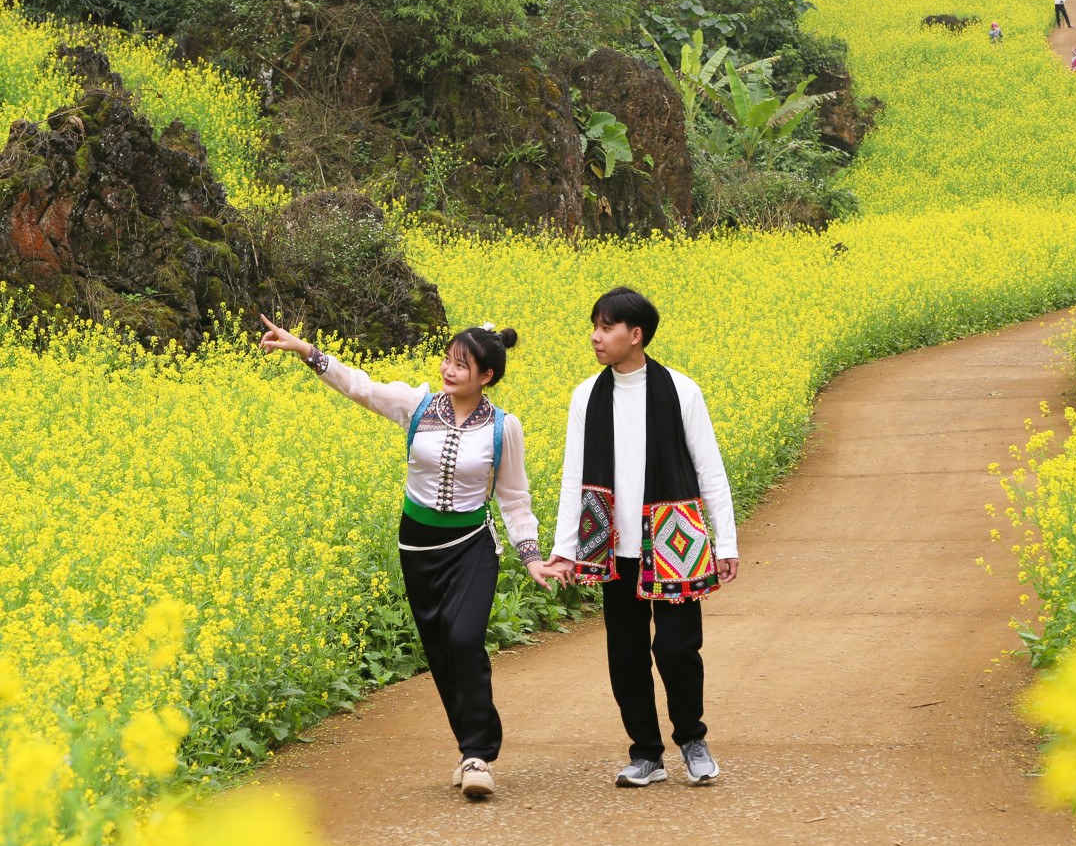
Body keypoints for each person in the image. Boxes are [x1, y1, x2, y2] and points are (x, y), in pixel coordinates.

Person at [260, 314, 561, 800]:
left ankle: (479, 754)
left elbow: (514, 497)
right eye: (447, 359)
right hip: (417, 547)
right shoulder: (417, 405)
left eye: (462, 365)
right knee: (441, 652)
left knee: (465, 641)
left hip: (472, 546)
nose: (449, 369)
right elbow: (359, 386)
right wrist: (304, 351)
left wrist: (531, 556)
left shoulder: (505, 427)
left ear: (486, 376)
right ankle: (468, 750)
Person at [546, 288, 738, 789]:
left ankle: (693, 740)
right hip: (614, 546)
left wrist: (727, 542)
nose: (595, 336)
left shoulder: (681, 389)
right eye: (594, 325)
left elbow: (709, 470)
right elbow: (573, 476)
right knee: (625, 653)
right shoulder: (586, 394)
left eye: (606, 327)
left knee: (677, 649)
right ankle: (645, 754)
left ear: (636, 335)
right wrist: (566, 548)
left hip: (675, 543)